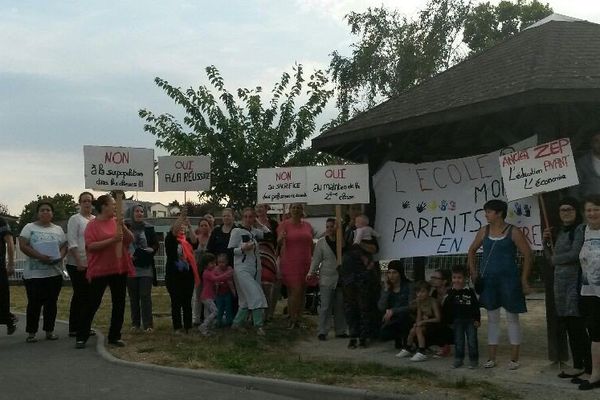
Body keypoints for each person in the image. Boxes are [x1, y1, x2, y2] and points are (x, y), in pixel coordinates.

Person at [468, 199, 532, 370]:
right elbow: (471, 250)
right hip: (489, 281)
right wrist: (474, 272)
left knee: (512, 318)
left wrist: (524, 279)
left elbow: (528, 254)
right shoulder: (484, 231)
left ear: (498, 213)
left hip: (510, 280)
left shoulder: (513, 231)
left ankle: (514, 359)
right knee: (492, 319)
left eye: (488, 212)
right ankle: (491, 358)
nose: (486, 215)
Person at [76, 195, 135, 349]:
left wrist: (123, 227)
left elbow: (129, 240)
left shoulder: (116, 222)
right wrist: (112, 240)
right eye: (113, 204)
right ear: (103, 206)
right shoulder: (92, 225)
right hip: (100, 270)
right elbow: (91, 246)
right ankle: (81, 335)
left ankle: (114, 336)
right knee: (93, 302)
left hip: (118, 268)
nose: (116, 207)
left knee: (119, 303)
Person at [543, 197, 591, 379]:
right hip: (560, 286)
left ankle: (589, 366)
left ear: (576, 211)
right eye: (563, 210)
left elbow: (575, 253)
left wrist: (555, 259)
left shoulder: (580, 229)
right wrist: (546, 242)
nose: (566, 213)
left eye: (569, 209)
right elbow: (550, 258)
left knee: (579, 327)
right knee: (570, 326)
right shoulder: (559, 231)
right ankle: (578, 364)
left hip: (575, 284)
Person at [18, 201, 67, 343]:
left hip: (54, 273)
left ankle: (49, 331)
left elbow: (64, 246)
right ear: (38, 213)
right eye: (42, 210)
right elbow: (23, 245)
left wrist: (60, 257)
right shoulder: (29, 227)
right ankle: (31, 332)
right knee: (34, 304)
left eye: (48, 210)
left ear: (52, 213)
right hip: (34, 275)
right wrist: (40, 256)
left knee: (51, 304)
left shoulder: (58, 229)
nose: (45, 212)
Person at [339, 204, 379, 349]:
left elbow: (374, 248)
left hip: (363, 271)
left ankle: (364, 335)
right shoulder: (343, 227)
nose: (355, 212)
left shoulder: (366, 228)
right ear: (348, 211)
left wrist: (360, 241)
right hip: (348, 270)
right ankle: (353, 334)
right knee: (350, 305)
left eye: (358, 209)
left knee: (364, 305)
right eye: (353, 209)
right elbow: (340, 247)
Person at [229, 207, 269, 335]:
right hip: (242, 268)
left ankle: (236, 324)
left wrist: (259, 224)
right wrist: (242, 249)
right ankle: (258, 326)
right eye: (245, 216)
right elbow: (230, 250)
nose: (247, 219)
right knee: (255, 294)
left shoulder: (255, 231)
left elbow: (269, 235)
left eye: (250, 217)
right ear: (242, 218)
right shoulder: (236, 231)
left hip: (255, 268)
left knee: (245, 299)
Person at [308, 218, 347, 340]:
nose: (330, 229)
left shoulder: (343, 242)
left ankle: (340, 330)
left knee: (340, 306)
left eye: (332, 226)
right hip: (326, 277)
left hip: (341, 278)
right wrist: (311, 272)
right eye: (328, 227)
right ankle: (322, 331)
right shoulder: (321, 243)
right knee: (325, 306)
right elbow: (316, 259)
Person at [576, 195, 600, 391]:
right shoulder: (585, 231)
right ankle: (596, 375)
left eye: (597, 209)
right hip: (590, 292)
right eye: (589, 210)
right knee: (595, 333)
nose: (592, 213)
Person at [278, 203, 313, 329]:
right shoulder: (284, 224)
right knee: (295, 291)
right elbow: (278, 242)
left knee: (303, 291)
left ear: (302, 210)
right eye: (294, 207)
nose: (296, 210)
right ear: (290, 210)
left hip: (306, 261)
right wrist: (281, 238)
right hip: (290, 261)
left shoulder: (308, 225)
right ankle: (292, 319)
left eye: (299, 207)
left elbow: (311, 243)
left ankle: (299, 318)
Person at [66, 192, 96, 338]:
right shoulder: (75, 219)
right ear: (80, 203)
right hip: (77, 264)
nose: (87, 203)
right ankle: (74, 327)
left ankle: (85, 326)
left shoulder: (95, 220)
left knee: (91, 297)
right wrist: (79, 262)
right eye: (84, 201)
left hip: (93, 264)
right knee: (80, 295)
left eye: (89, 201)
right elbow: (72, 242)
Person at [125, 204, 158, 333]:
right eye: (137, 211)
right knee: (133, 297)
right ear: (132, 213)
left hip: (145, 266)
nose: (139, 213)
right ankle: (135, 323)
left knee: (145, 295)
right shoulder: (126, 227)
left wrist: (151, 249)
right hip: (131, 266)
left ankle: (148, 324)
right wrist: (128, 255)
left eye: (141, 211)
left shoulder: (149, 228)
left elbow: (155, 244)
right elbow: (122, 244)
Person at [164, 214, 200, 334]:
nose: (181, 228)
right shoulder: (170, 240)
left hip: (187, 275)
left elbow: (195, 242)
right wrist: (182, 217)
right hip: (173, 275)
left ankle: (188, 326)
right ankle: (177, 327)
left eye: (182, 227)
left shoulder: (187, 241)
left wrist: (189, 226)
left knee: (187, 301)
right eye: (179, 227)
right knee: (176, 301)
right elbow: (174, 230)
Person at [396, 281, 441, 362]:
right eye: (418, 292)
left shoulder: (432, 301)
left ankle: (422, 351)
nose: (420, 294)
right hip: (424, 322)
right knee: (413, 330)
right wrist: (417, 324)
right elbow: (419, 316)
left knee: (418, 329)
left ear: (428, 291)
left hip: (434, 323)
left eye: (423, 291)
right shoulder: (419, 301)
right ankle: (408, 348)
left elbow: (438, 319)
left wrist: (422, 322)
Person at [445, 265, 480, 369]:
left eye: (459, 278)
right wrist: (449, 321)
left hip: (470, 320)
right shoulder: (451, 292)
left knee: (472, 341)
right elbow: (447, 308)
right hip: (457, 321)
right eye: (454, 277)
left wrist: (477, 319)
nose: (457, 280)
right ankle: (458, 359)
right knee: (459, 341)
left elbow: (475, 307)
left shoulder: (470, 292)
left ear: (465, 278)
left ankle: (473, 360)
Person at [378, 260, 412, 350]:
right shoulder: (387, 288)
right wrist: (386, 290)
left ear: (400, 273)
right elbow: (381, 307)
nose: (391, 275)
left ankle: (406, 342)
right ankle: (397, 338)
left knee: (404, 319)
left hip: (406, 316)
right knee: (382, 334)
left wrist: (394, 311)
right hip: (391, 318)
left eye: (394, 272)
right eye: (389, 273)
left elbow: (412, 306)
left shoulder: (409, 286)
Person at [198, 253, 233, 335]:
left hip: (208, 297)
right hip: (207, 297)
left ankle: (206, 329)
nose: (214, 265)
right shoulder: (206, 273)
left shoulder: (210, 271)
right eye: (212, 263)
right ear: (206, 264)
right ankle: (203, 326)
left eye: (214, 263)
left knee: (208, 313)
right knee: (215, 311)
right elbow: (215, 278)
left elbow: (215, 279)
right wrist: (226, 275)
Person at [256, 203, 279, 322]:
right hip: (255, 258)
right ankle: (257, 314)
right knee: (256, 286)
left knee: (268, 286)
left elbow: (276, 240)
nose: (259, 209)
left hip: (269, 257)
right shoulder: (252, 222)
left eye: (261, 207)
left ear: (266, 209)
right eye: (257, 207)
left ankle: (268, 314)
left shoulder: (274, 224)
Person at [430, 269, 453, 357]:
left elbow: (449, 315)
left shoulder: (451, 294)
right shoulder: (434, 293)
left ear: (444, 281)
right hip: (440, 321)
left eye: (436, 278)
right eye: (432, 277)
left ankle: (445, 347)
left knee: (437, 322)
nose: (432, 280)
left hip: (450, 324)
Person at [570, 132, 600, 200]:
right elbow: (574, 189)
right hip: (591, 206)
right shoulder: (582, 162)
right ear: (591, 143)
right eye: (596, 141)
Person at [192, 217, 211, 326]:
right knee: (198, 295)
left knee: (208, 295)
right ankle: (196, 318)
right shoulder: (196, 239)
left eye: (206, 225)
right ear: (198, 227)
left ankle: (208, 317)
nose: (204, 227)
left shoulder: (212, 239)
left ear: (209, 226)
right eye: (202, 225)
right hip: (198, 270)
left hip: (209, 271)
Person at [0, 216, 17, 335]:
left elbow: (10, 242)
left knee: (2, 297)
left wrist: (11, 263)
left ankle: (8, 320)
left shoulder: (1, 222)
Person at [214, 253, 236, 327]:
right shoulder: (216, 269)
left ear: (227, 262)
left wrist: (234, 293)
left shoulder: (229, 269)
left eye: (223, 262)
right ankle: (218, 321)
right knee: (219, 308)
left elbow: (230, 281)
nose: (221, 264)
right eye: (219, 262)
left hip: (227, 293)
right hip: (219, 294)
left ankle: (229, 321)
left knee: (228, 307)